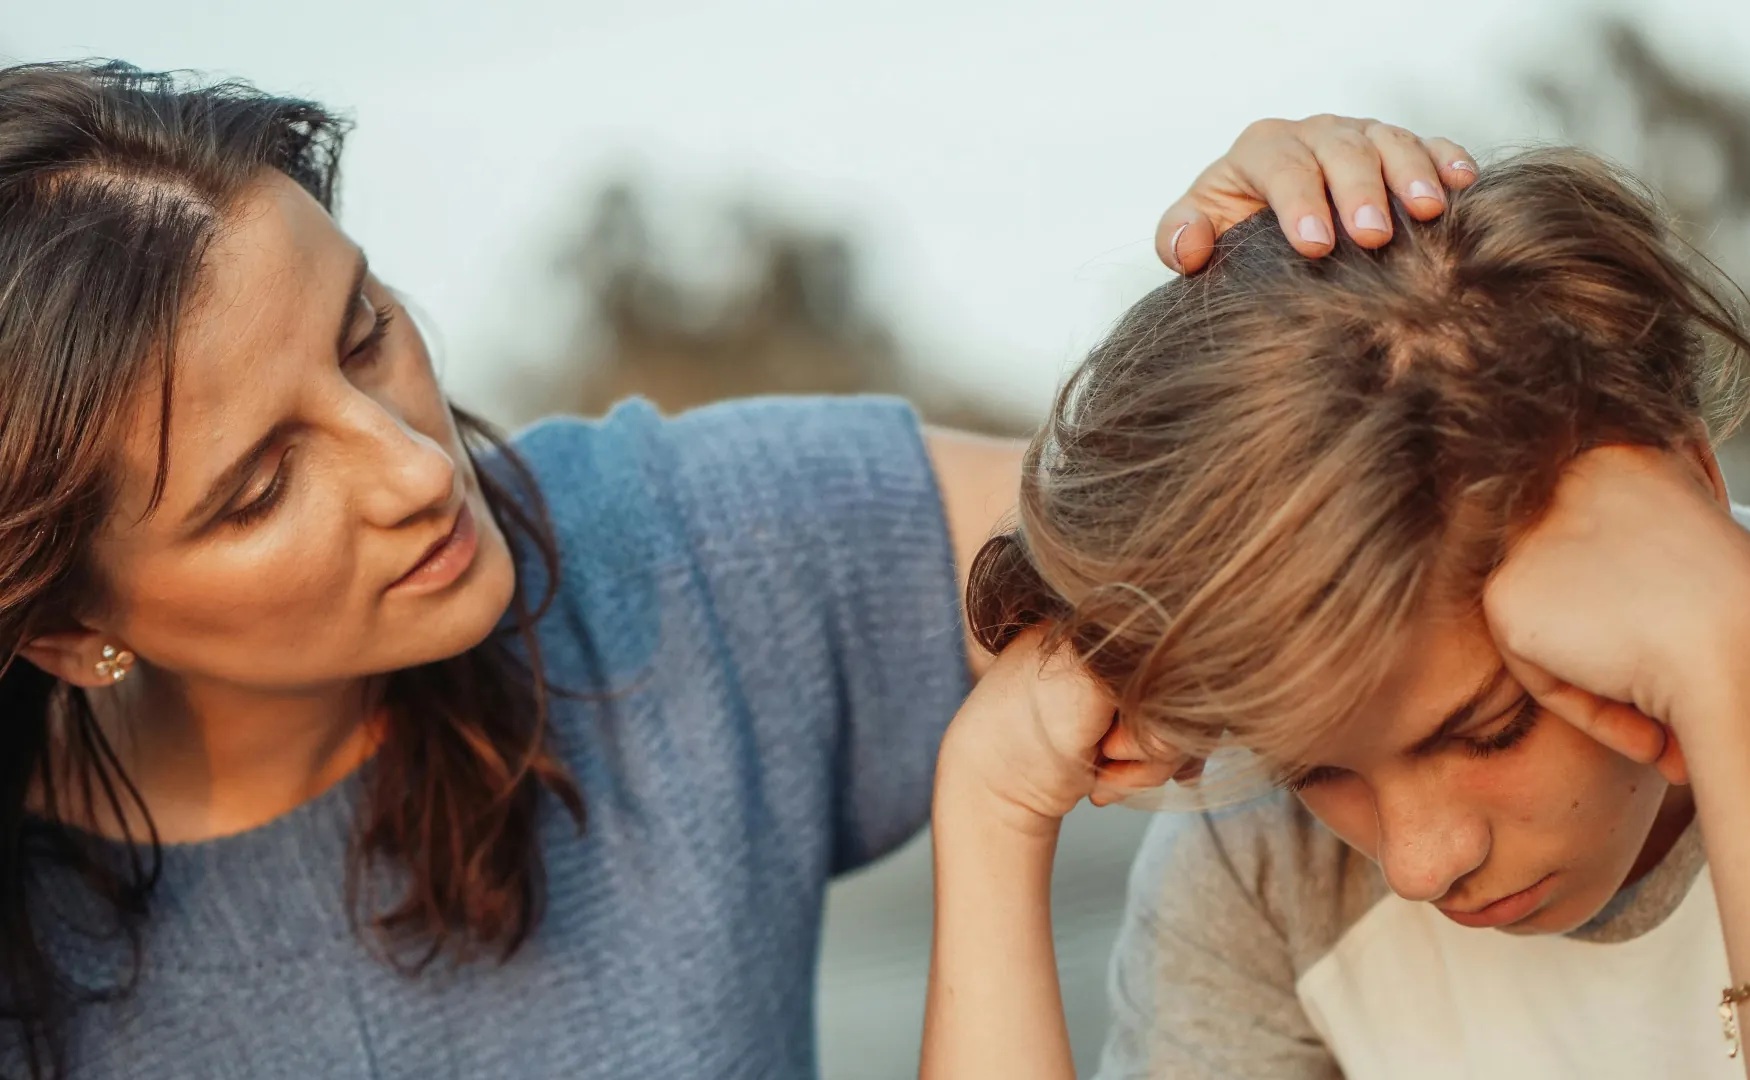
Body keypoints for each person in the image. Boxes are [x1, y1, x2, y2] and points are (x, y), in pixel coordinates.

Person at [0, 59, 1477, 1079]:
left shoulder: (688, 548)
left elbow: (1258, 524)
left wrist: (1322, 300)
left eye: (364, 330)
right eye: (261, 488)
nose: (416, 469)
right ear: (69, 629)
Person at [923, 148, 1750, 1079]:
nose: (1419, 861)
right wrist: (989, 813)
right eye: (1313, 767)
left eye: (1490, 729)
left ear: (1691, 493)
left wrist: (1748, 663)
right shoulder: (1263, 872)